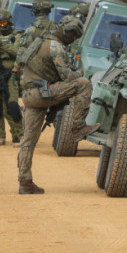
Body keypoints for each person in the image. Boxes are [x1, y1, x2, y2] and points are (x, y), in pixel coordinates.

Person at [15, 15, 98, 194]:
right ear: (67, 31)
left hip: (29, 94)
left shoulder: (38, 41)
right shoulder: (56, 47)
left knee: (28, 141)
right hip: (42, 94)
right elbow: (67, 76)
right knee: (83, 83)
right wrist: (79, 73)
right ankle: (78, 127)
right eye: (72, 37)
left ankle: (25, 181)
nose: (71, 40)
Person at [0, 8, 23, 146]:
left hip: (11, 74)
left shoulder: (17, 36)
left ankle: (19, 135)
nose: (2, 27)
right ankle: (0, 135)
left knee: (13, 105)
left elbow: (17, 52)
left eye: (4, 23)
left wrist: (2, 47)